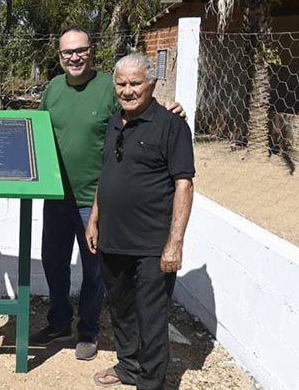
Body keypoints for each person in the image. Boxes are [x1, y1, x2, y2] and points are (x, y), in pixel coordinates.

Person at [31, 24, 184, 362]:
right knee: (54, 263)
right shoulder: (53, 88)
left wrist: (169, 110)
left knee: (95, 271)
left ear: (91, 51)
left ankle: (87, 330)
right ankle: (58, 322)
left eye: (80, 50)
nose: (74, 57)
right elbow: (36, 132)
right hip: (56, 197)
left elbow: (139, 108)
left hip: (94, 200)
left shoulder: (108, 87)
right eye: (67, 52)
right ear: (59, 56)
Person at [86, 53, 195, 390]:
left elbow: (184, 184)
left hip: (152, 243)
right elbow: (106, 175)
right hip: (112, 238)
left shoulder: (172, 125)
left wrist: (175, 242)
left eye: (136, 83)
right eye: (121, 83)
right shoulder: (114, 123)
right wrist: (94, 219)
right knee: (121, 310)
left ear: (153, 84)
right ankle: (129, 367)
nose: (128, 90)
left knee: (151, 317)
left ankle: (151, 382)